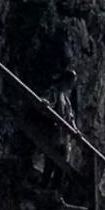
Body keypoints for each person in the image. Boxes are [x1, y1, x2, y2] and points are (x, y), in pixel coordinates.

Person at [40, 69, 80, 197]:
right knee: (51, 163)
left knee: (61, 167)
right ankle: (45, 189)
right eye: (71, 82)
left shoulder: (66, 98)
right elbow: (46, 101)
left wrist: (75, 130)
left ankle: (56, 193)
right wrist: (45, 103)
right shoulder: (54, 92)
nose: (71, 85)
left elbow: (70, 116)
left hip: (64, 137)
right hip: (54, 134)